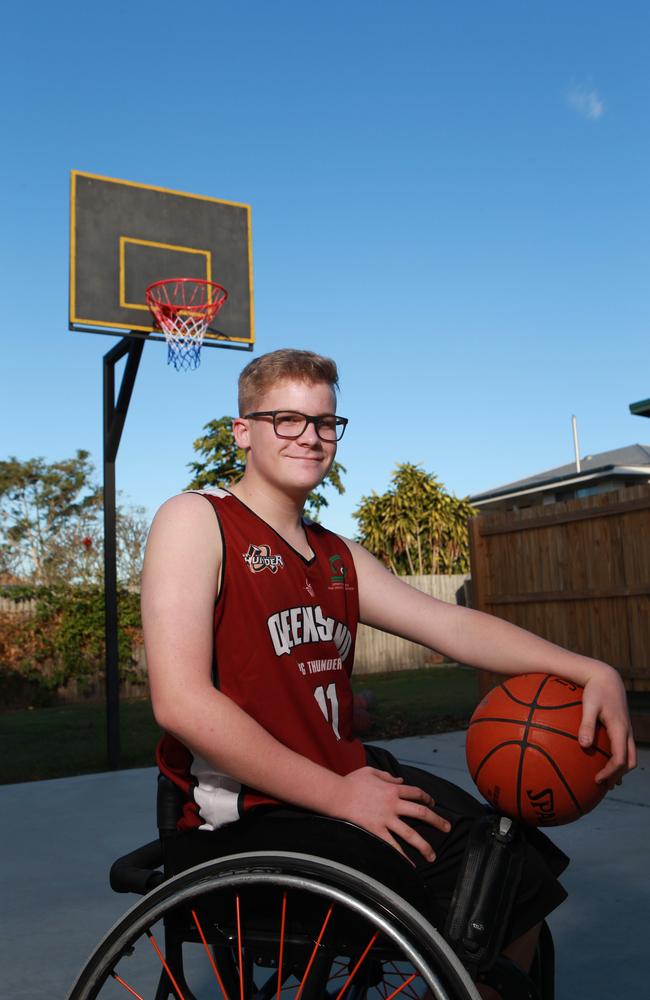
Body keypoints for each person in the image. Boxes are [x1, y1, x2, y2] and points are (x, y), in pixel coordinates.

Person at [142, 348, 636, 998]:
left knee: (513, 864)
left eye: (325, 422)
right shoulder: (197, 520)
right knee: (481, 888)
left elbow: (452, 626)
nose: (311, 437)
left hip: (342, 782)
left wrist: (590, 668)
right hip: (257, 809)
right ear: (244, 430)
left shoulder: (337, 555)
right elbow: (180, 703)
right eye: (287, 419)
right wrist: (342, 795)